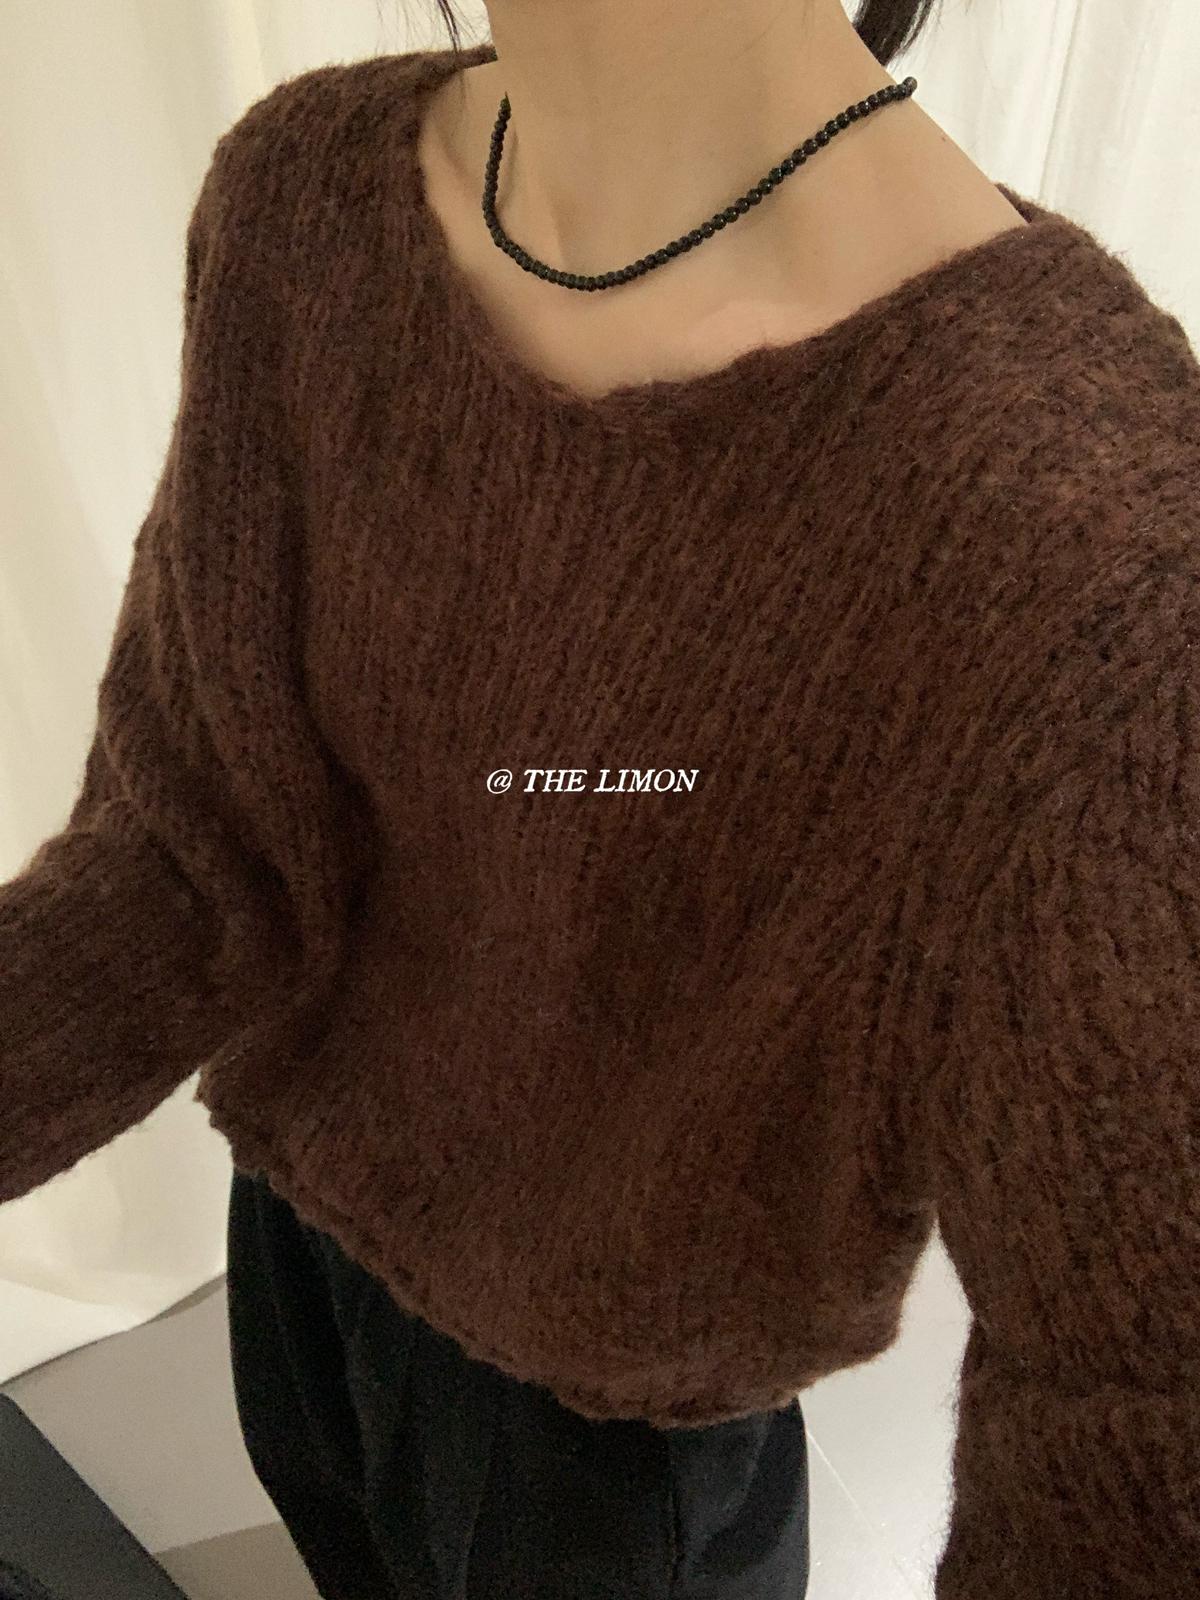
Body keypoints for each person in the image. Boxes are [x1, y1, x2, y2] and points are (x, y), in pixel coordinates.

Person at [4, 2, 1199, 1597]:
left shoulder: (1097, 561)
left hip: (609, 1469)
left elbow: (1138, 1410)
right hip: (294, 1249)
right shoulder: (303, 204)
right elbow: (188, 850)